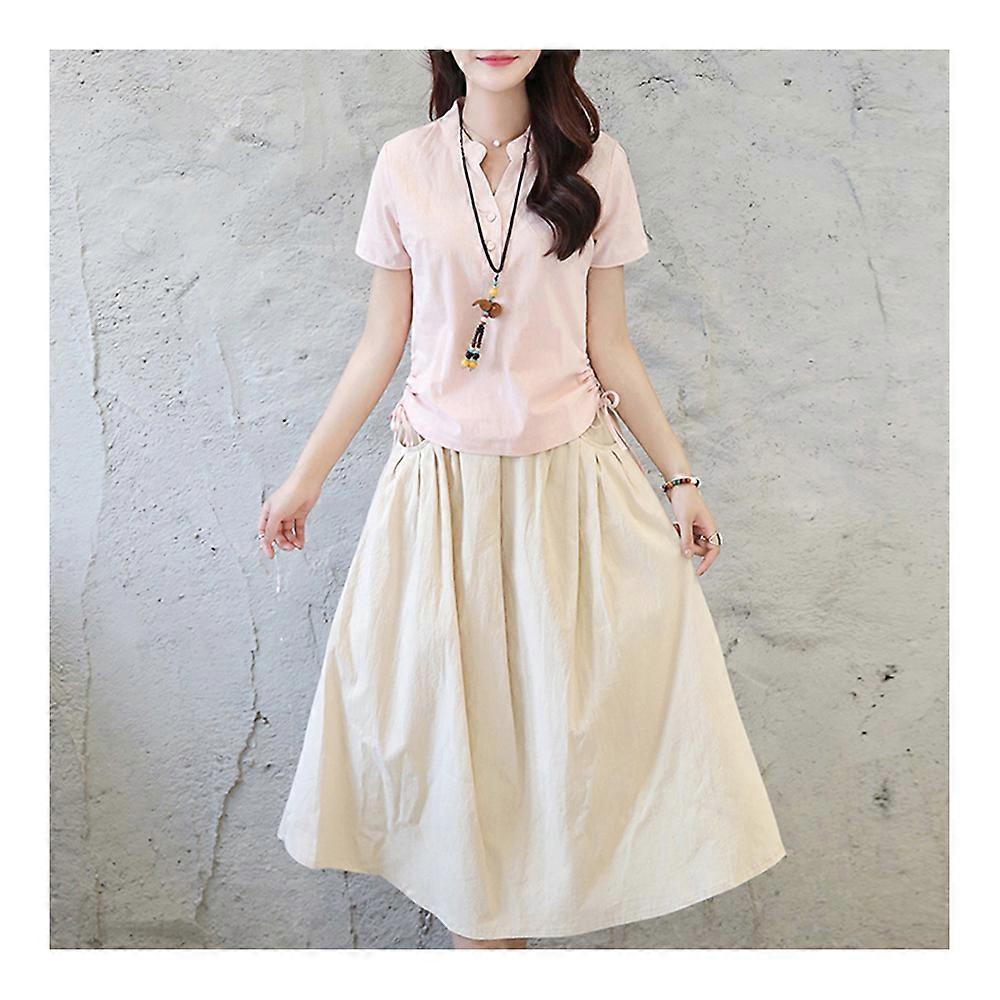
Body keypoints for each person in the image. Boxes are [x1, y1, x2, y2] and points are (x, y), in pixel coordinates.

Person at [262, 50, 786, 950]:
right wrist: (304, 479)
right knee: (458, 785)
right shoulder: (405, 165)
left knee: (557, 773)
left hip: (570, 500)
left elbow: (609, 344)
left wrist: (680, 477)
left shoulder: (597, 165)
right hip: (442, 504)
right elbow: (381, 341)